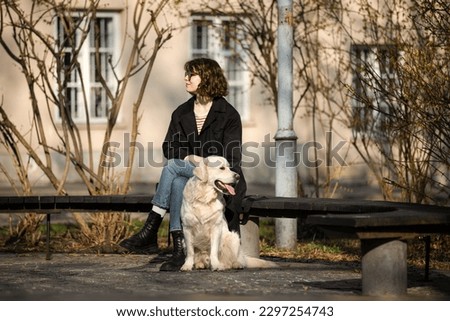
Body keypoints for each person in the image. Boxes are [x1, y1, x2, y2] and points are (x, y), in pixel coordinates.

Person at [119, 57, 247, 271]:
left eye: (191, 74)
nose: (185, 78)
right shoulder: (181, 113)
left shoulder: (229, 115)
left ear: (206, 78)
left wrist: (206, 165)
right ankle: (180, 251)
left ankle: (152, 227)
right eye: (186, 74)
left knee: (172, 168)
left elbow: (232, 158)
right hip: (193, 177)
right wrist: (192, 158)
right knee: (178, 181)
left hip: (217, 179)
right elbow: (169, 147)